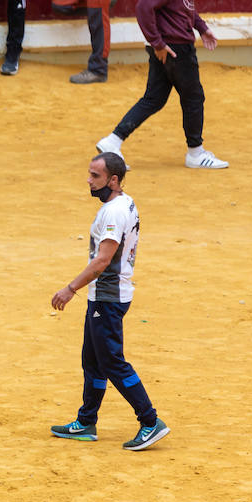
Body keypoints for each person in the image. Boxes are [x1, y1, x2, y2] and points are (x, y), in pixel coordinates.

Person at [49, 152, 170, 452]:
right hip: (103, 295)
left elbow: (103, 260)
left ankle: (150, 421)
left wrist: (70, 288)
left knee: (112, 362)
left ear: (113, 180)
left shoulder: (114, 212)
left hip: (108, 296)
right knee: (92, 360)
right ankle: (86, 421)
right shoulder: (122, 203)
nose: (89, 181)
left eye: (95, 176)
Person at [95, 0, 229, 170]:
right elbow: (144, 7)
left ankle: (113, 141)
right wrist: (156, 42)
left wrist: (201, 27)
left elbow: (184, 4)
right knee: (193, 98)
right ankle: (195, 153)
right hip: (174, 46)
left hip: (169, 43)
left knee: (154, 98)